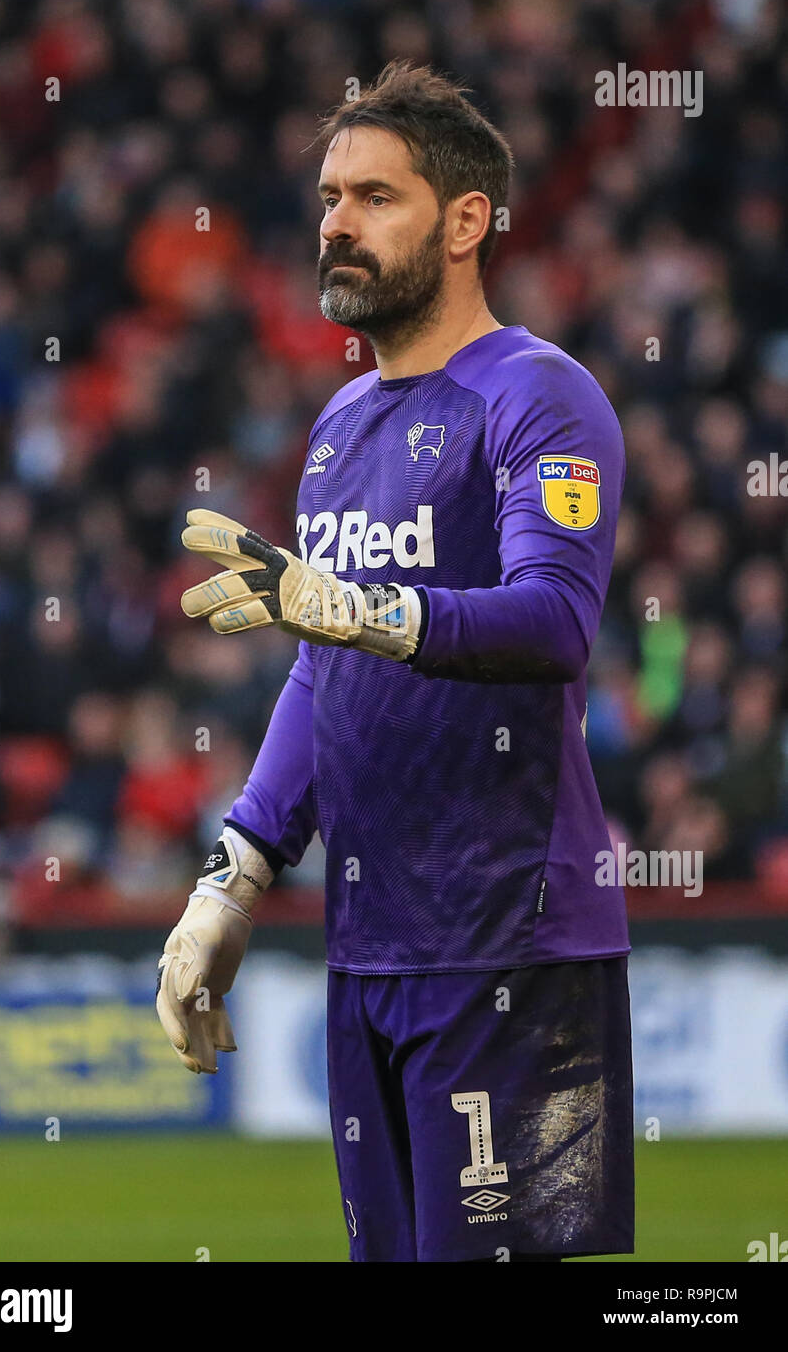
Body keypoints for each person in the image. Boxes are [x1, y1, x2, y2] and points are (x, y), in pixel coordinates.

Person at [155, 61, 633, 1264]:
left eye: (376, 196)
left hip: (512, 952)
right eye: (328, 196)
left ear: (468, 221)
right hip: (369, 954)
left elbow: (553, 620)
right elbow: (326, 672)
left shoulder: (539, 397)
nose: (335, 223)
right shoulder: (339, 426)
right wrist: (235, 876)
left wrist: (363, 607)